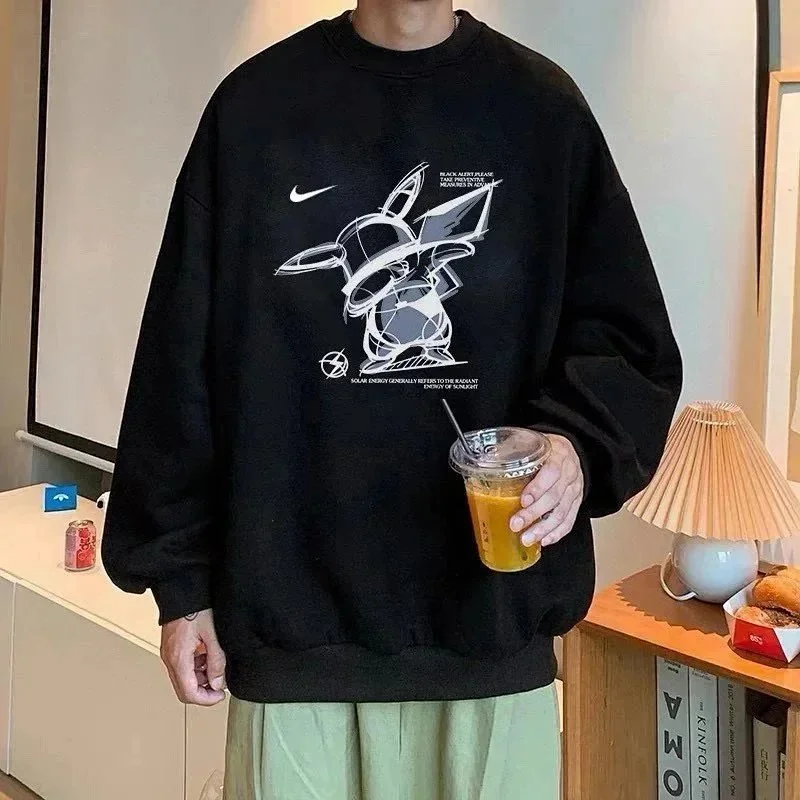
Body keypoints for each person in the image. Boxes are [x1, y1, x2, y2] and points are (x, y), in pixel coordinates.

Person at [102, 2, 683, 798]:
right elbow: (178, 364)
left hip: (489, 633)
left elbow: (628, 343)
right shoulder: (254, 112)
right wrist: (179, 584)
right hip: (292, 639)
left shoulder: (543, 112)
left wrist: (577, 447)